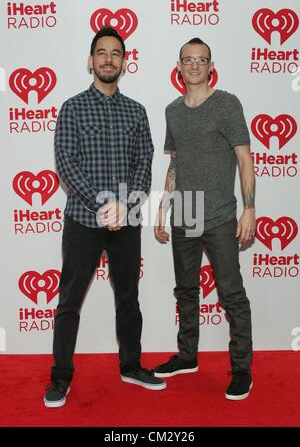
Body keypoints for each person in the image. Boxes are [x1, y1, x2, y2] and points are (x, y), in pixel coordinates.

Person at [44, 27, 166, 408]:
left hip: (126, 223)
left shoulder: (136, 111)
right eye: (102, 53)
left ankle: (131, 365)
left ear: (125, 62)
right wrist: (103, 205)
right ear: (90, 60)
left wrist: (125, 207)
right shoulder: (72, 107)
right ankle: (60, 377)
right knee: (69, 300)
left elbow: (144, 165)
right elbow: (67, 164)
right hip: (83, 219)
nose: (108, 59)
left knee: (128, 298)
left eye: (116, 53)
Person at [153, 38, 255, 400]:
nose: (194, 64)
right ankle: (187, 356)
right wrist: (162, 208)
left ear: (211, 66)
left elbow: (245, 159)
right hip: (185, 214)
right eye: (188, 59)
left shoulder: (227, 104)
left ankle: (242, 369)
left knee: (232, 294)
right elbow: (176, 162)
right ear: (178, 67)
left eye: (201, 59)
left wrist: (249, 207)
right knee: (185, 290)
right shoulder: (172, 111)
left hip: (221, 215)